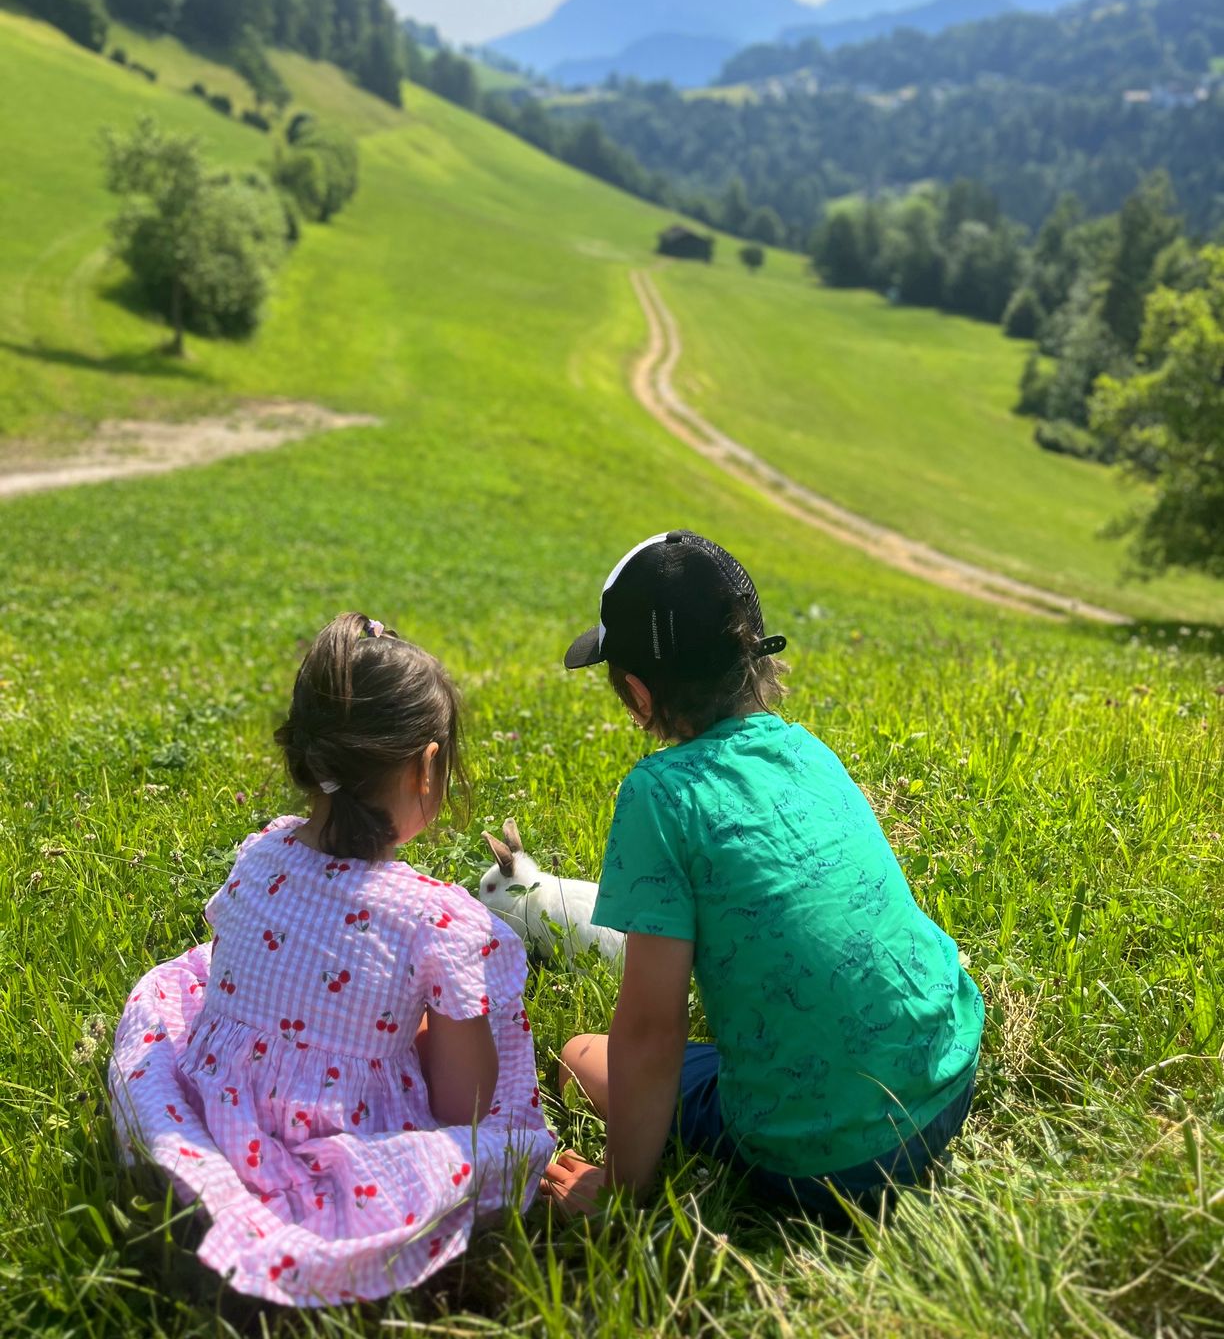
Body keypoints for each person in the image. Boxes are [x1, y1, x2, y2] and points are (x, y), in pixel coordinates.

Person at [109, 613, 554, 1306]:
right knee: (502, 1137)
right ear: (428, 766)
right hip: (339, 1132)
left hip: (220, 1099)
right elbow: (462, 1104)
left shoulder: (262, 853)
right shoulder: (440, 922)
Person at [543, 531, 983, 1221]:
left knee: (579, 1057)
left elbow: (651, 1035)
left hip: (828, 1162)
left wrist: (622, 1193)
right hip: (948, 1082)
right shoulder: (807, 747)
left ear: (637, 692)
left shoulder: (660, 794)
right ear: (752, 652)